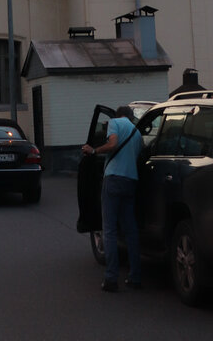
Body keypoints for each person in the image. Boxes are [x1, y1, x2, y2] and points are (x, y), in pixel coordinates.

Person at [82, 105, 142, 292]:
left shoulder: (114, 123)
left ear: (118, 115)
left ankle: (111, 278)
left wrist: (93, 151)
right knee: (130, 230)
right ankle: (135, 277)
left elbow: (113, 144)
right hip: (131, 181)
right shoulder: (138, 133)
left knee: (109, 230)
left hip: (114, 179)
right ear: (131, 117)